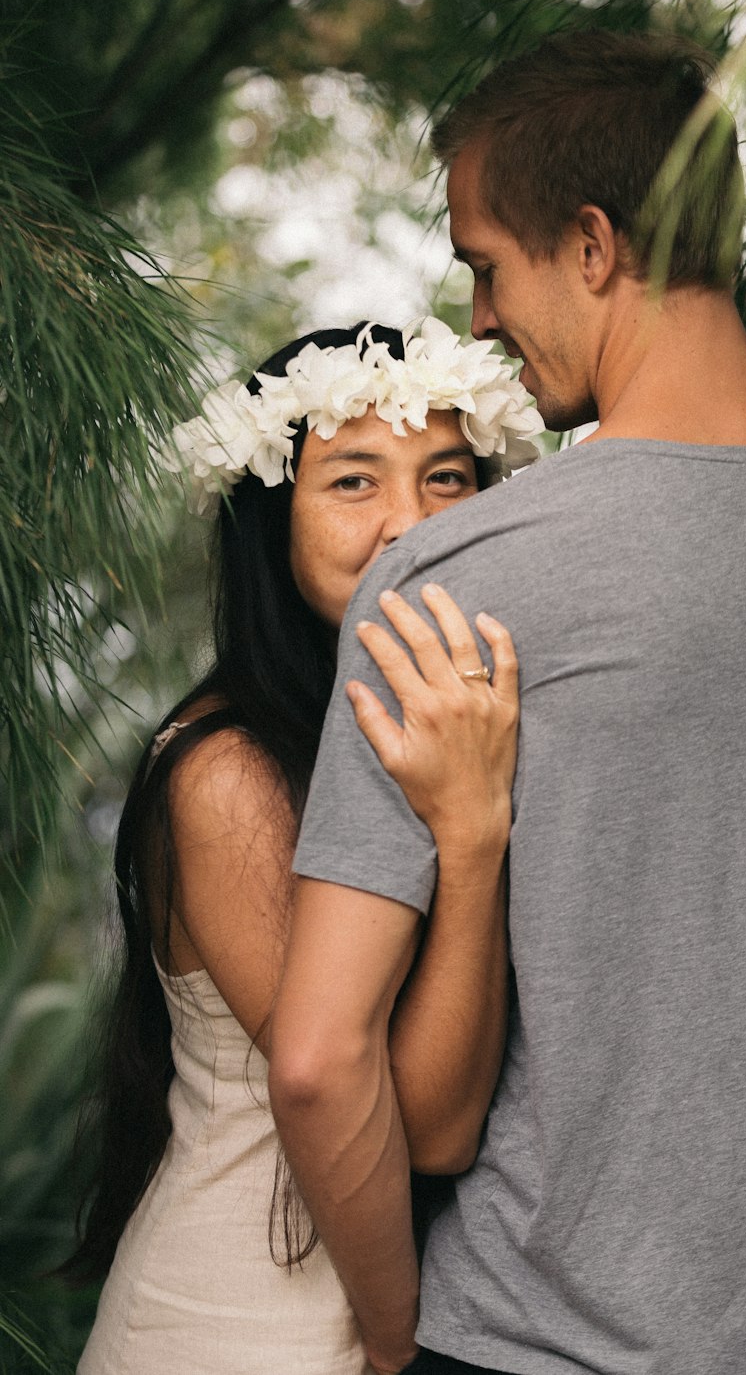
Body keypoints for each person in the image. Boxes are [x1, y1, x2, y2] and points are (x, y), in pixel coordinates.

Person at [268, 30, 746, 1375]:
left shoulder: (455, 578)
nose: (478, 317)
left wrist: (389, 1347)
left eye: (487, 263)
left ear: (593, 246)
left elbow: (317, 1062)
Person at [70, 319, 542, 1375]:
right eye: (353, 482)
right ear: (270, 520)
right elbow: (426, 1125)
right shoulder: (227, 774)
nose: (409, 527)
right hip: (249, 1327)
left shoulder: (460, 721)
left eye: (449, 479)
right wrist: (471, 843)